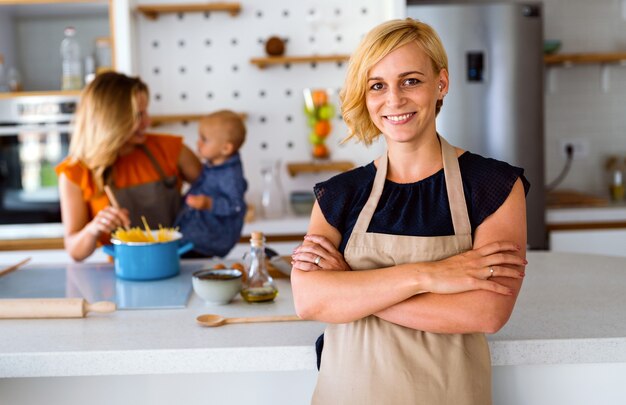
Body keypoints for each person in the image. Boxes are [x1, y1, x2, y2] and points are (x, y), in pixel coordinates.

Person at [290, 18, 529, 404]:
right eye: (377, 86)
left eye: (411, 80)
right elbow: (310, 302)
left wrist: (355, 290)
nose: (394, 99)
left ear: (441, 84)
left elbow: (487, 311)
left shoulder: (493, 186)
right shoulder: (339, 194)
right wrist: (432, 275)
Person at [56, 72, 201, 262]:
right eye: (138, 115)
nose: (148, 121)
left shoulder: (173, 150)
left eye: (146, 112)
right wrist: (94, 228)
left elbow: (215, 192)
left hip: (180, 264)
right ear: (110, 120)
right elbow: (75, 251)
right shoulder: (74, 173)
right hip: (125, 273)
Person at [174, 110, 248, 258]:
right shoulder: (214, 164)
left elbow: (237, 206)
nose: (198, 143)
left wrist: (209, 203)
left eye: (204, 139)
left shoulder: (231, 175)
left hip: (207, 240)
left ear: (226, 148)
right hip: (194, 235)